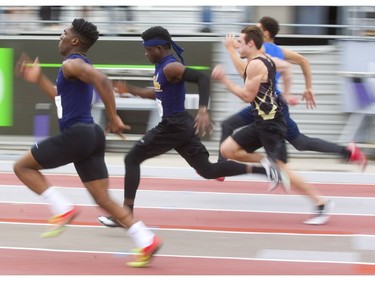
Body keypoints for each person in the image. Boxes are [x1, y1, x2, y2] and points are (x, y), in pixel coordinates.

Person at [98, 25, 288, 228]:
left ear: (160, 49)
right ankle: (265, 170)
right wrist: (130, 90)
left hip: (172, 126)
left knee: (131, 159)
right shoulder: (162, 67)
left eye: (148, 49)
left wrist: (203, 110)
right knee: (207, 170)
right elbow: (157, 93)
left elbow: (202, 78)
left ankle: (125, 214)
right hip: (181, 127)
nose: (146, 53)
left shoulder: (170, 67)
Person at [13, 18, 160, 268]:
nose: (60, 36)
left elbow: (102, 81)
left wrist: (113, 116)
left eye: (63, 33)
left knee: (22, 167)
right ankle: (146, 239)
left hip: (77, 134)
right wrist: (38, 79)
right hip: (91, 135)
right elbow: (60, 98)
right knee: (103, 199)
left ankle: (62, 208)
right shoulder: (77, 66)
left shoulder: (72, 63)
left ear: (74, 40)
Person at [211, 25, 333, 225]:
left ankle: (321, 203)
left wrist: (225, 80)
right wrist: (231, 50)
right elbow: (245, 72)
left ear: (251, 43)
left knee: (284, 170)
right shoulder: (260, 60)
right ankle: (268, 163)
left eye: (240, 42)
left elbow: (246, 96)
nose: (237, 45)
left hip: (271, 124)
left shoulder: (257, 64)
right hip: (262, 121)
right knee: (228, 149)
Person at [217, 16, 367, 172]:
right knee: (299, 142)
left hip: (270, 107)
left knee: (299, 143)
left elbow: (245, 73)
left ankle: (347, 152)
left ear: (266, 34)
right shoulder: (278, 51)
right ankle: (226, 163)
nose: (252, 33)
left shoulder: (261, 51)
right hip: (264, 104)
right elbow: (302, 61)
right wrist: (306, 88)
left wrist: (231, 51)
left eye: (257, 29)